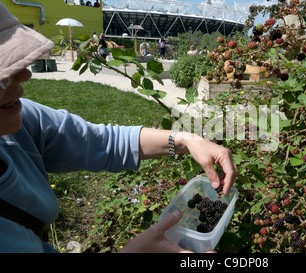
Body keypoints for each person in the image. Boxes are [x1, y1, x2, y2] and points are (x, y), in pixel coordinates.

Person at [0, 2, 237, 253]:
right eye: (5, 73)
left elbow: (104, 141)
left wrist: (186, 140)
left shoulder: (21, 119)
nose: (25, 74)